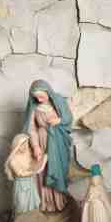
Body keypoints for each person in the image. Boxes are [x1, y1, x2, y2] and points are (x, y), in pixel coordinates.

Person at [22, 79, 73, 212]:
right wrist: (36, 147)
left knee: (58, 170)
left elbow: (68, 118)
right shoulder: (34, 108)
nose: (39, 100)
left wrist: (59, 120)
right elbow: (31, 129)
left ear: (47, 91)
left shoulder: (58, 102)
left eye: (41, 96)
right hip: (42, 142)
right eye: (36, 97)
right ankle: (46, 202)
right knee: (44, 171)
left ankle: (59, 201)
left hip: (57, 142)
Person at [4, 133, 47, 218]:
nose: (24, 146)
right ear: (17, 146)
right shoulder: (13, 160)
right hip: (21, 185)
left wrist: (42, 159)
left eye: (26, 144)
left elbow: (34, 163)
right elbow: (20, 173)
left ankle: (32, 220)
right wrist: (35, 171)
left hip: (30, 183)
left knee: (33, 203)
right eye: (22, 144)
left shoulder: (28, 155)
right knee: (21, 205)